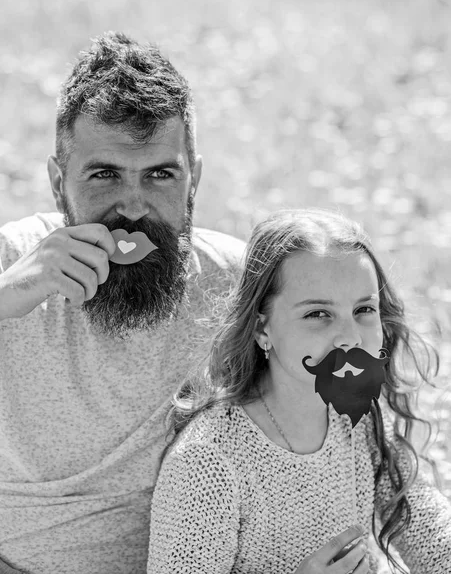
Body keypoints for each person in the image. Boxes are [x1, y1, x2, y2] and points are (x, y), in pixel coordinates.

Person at [0, 32, 245, 574]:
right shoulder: (2, 259)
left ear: (194, 182)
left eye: (160, 175)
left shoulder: (237, 283)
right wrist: (6, 295)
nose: (135, 206)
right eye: (104, 175)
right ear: (57, 183)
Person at [147, 209, 451, 574]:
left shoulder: (361, 418)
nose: (350, 337)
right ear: (262, 329)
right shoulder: (208, 462)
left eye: (364, 309)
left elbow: (432, 537)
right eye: (318, 314)